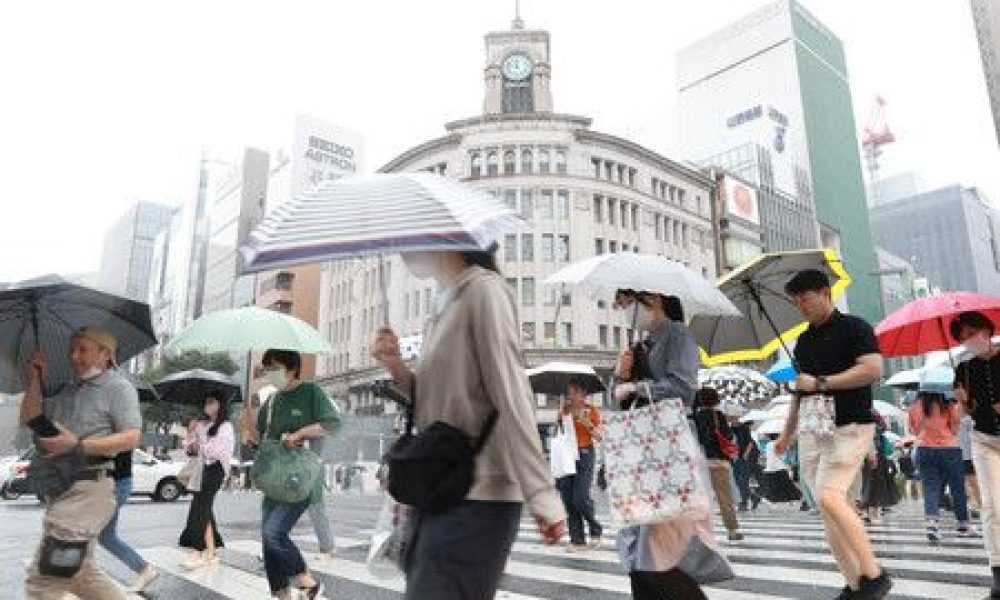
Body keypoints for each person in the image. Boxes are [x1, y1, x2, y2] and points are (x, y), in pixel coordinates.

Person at [372, 247, 566, 600]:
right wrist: (396, 367)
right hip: (441, 487)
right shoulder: (444, 303)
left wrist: (540, 493)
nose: (403, 250)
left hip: (481, 494)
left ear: (445, 238)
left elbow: (511, 390)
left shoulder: (484, 291)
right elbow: (436, 402)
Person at [773, 270, 892, 599]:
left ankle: (875, 574)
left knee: (830, 497)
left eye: (805, 298)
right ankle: (855, 584)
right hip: (814, 431)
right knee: (827, 513)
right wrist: (787, 434)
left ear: (825, 293)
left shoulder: (856, 327)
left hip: (851, 425)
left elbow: (872, 369)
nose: (800, 305)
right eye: (795, 300)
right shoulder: (804, 340)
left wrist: (822, 382)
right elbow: (801, 393)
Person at [613, 291, 733, 600]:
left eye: (628, 303)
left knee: (656, 555)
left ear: (651, 299)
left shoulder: (678, 335)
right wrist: (620, 376)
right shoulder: (640, 346)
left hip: (671, 451)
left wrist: (635, 385)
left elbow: (683, 389)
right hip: (644, 454)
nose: (626, 311)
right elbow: (623, 407)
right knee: (641, 558)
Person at [20, 327, 142, 599]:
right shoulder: (70, 389)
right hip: (62, 487)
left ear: (105, 353)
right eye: (72, 349)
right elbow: (32, 417)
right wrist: (35, 377)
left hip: (89, 491)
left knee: (46, 577)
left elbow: (133, 436)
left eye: (83, 350)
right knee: (82, 576)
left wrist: (77, 445)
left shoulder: (118, 387)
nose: (74, 356)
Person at [256, 349, 340, 600]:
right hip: (275, 480)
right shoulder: (271, 402)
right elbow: (262, 441)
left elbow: (332, 425)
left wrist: (300, 434)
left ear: (292, 368)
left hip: (303, 479)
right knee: (268, 542)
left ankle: (307, 580)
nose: (270, 374)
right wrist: (247, 425)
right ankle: (282, 595)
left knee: (273, 533)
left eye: (274, 367)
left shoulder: (312, 393)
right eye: (267, 368)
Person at [951, 310, 1000, 599]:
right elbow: (964, 414)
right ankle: (998, 572)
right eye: (964, 337)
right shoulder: (964, 369)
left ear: (987, 329)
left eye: (973, 332)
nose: (970, 340)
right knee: (992, 505)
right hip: (984, 440)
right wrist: (962, 404)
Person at [907, 386, 975, 542]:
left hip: (925, 449)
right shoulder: (947, 405)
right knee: (957, 488)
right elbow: (954, 429)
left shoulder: (914, 407)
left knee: (930, 487)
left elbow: (915, 432)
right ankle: (963, 525)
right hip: (949, 449)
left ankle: (932, 524)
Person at [179, 394, 234, 569]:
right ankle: (210, 550)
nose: (207, 406)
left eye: (211, 402)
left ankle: (197, 549)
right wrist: (190, 433)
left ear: (220, 405)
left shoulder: (226, 427)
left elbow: (218, 451)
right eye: (206, 402)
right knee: (203, 507)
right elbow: (190, 451)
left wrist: (201, 446)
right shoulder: (203, 425)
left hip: (216, 469)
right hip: (201, 469)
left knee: (200, 505)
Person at [98, 450, 159, 591]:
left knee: (82, 531)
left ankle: (70, 578)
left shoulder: (119, 430)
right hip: (111, 485)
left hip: (114, 485)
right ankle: (144, 570)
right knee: (106, 537)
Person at [559, 376, 604, 552]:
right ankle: (577, 541)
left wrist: (586, 422)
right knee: (568, 500)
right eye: (570, 391)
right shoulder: (564, 410)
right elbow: (558, 436)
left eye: (576, 391)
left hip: (585, 454)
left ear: (584, 394)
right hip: (566, 457)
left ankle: (596, 528)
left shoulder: (591, 411)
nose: (571, 394)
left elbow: (599, 436)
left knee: (580, 497)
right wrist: (561, 419)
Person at [693, 387, 744, 540]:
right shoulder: (718, 415)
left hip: (699, 461)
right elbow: (727, 436)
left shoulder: (694, 416)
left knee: (700, 498)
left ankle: (700, 532)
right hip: (718, 461)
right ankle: (732, 529)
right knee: (724, 497)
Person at [859, 417, 898, 526]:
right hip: (871, 452)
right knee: (871, 482)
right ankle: (868, 511)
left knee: (867, 482)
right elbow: (884, 428)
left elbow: (883, 428)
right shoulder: (871, 414)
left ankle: (867, 511)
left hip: (867, 452)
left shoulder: (872, 414)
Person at [757, 432, 801, 504]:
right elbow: (782, 454)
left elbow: (767, 454)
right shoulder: (778, 444)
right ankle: (791, 497)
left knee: (772, 484)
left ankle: (771, 498)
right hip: (779, 467)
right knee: (786, 484)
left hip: (770, 467)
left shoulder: (768, 444)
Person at [960, 413, 984, 518]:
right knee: (971, 482)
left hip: (965, 455)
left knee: (970, 481)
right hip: (966, 454)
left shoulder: (967, 418)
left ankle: (976, 505)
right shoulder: (966, 418)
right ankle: (976, 505)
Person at [730, 417, 755, 512]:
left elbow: (750, 443)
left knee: (742, 480)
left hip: (742, 457)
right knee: (736, 480)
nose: (732, 420)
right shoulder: (729, 429)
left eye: (734, 418)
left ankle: (743, 503)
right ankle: (753, 496)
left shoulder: (744, 428)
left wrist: (745, 454)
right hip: (733, 458)